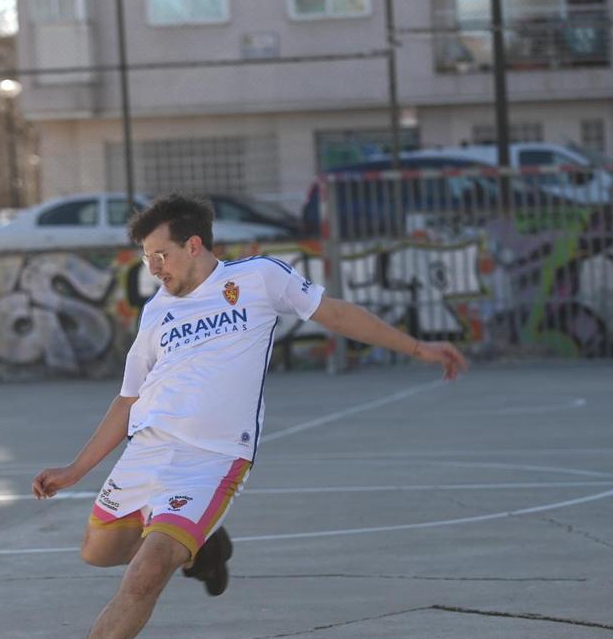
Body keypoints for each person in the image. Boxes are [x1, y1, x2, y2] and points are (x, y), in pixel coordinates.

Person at [32, 195, 468, 638]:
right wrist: (74, 471)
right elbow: (128, 399)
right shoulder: (157, 310)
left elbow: (336, 314)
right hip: (147, 450)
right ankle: (201, 544)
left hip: (211, 461)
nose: (155, 269)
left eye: (160, 256)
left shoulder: (257, 277)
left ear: (194, 245)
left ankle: (183, 538)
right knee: (97, 552)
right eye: (148, 259)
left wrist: (418, 348)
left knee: (146, 572)